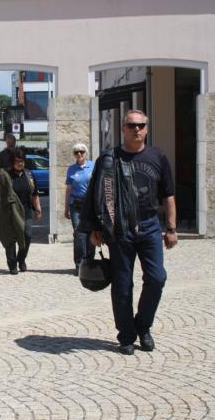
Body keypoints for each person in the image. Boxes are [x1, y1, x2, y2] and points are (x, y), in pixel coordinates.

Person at [79, 109, 178, 355]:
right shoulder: (108, 159)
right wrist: (93, 228)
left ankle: (143, 327)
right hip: (119, 229)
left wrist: (171, 228)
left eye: (141, 125)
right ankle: (126, 335)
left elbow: (168, 195)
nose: (136, 129)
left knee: (157, 278)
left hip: (149, 226)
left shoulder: (158, 157)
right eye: (131, 125)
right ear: (123, 128)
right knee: (122, 284)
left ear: (147, 128)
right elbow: (94, 195)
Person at [0, 149, 42, 274]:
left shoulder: (29, 175)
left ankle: (21, 259)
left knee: (27, 235)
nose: (20, 164)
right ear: (12, 162)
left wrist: (38, 209)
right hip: (10, 212)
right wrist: (0, 212)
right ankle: (12, 264)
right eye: (17, 161)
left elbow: (34, 194)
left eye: (22, 161)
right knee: (10, 238)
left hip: (26, 211)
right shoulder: (5, 176)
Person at [64, 143, 95, 276]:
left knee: (91, 233)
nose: (79, 154)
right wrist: (66, 207)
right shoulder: (71, 169)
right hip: (75, 205)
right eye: (76, 152)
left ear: (85, 153)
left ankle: (90, 262)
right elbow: (68, 190)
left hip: (90, 205)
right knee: (79, 234)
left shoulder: (93, 166)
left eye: (81, 151)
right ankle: (79, 264)